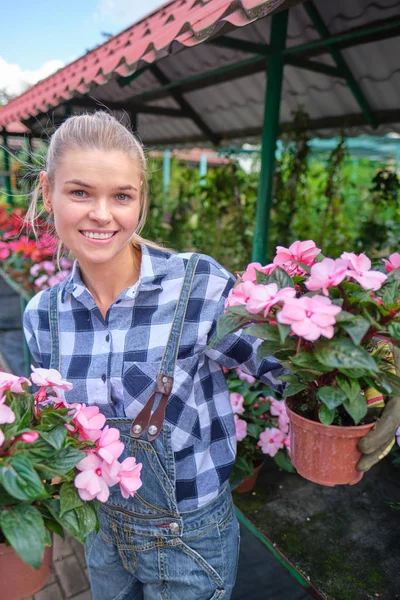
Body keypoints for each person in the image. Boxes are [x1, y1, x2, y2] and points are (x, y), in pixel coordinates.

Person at [22, 111, 286, 600]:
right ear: (48, 189)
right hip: (102, 535)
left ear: (141, 198)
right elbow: (54, 427)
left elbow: (286, 371)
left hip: (192, 540)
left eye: (121, 196)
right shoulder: (43, 316)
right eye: (80, 192)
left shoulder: (198, 286)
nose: (102, 214)